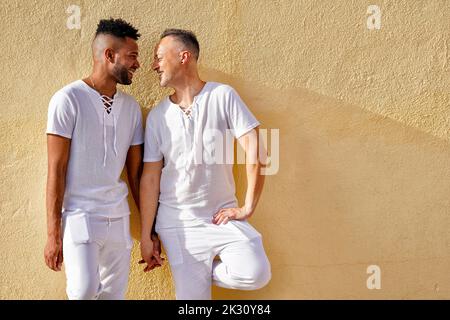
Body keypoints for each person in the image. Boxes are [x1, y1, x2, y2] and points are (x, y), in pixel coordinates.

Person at [139, 29, 271, 300]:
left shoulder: (223, 96)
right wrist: (146, 235)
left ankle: (198, 271)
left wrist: (247, 207)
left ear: (184, 57)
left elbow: (257, 151)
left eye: (159, 57)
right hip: (178, 224)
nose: (154, 65)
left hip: (220, 216)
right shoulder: (157, 117)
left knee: (257, 272)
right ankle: (191, 272)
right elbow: (150, 180)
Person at [44, 18, 158, 300]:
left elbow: (135, 175)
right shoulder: (67, 99)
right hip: (80, 217)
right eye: (132, 56)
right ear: (109, 55)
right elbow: (55, 171)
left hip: (118, 219)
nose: (137, 64)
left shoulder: (131, 109)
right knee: (82, 293)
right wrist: (53, 235)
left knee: (113, 296)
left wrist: (148, 231)